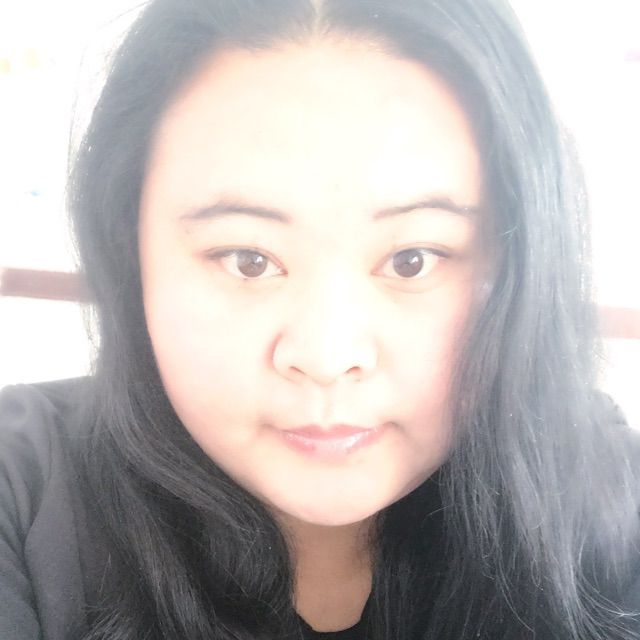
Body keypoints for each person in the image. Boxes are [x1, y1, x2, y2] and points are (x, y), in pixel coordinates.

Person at [1, 0, 639, 638]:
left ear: (516, 264)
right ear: (130, 252)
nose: (327, 356)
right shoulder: (22, 486)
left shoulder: (610, 495)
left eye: (412, 260)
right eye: (248, 260)